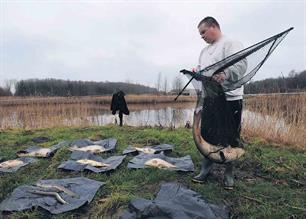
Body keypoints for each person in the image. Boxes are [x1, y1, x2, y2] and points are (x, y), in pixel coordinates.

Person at [192, 16, 247, 189]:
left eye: (203, 32)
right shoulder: (204, 51)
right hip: (211, 99)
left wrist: (226, 74)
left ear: (214, 27)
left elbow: (241, 65)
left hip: (231, 100)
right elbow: (203, 70)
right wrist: (196, 71)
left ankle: (229, 173)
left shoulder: (231, 43)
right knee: (207, 134)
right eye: (200, 34)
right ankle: (206, 169)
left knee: (230, 136)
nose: (202, 36)